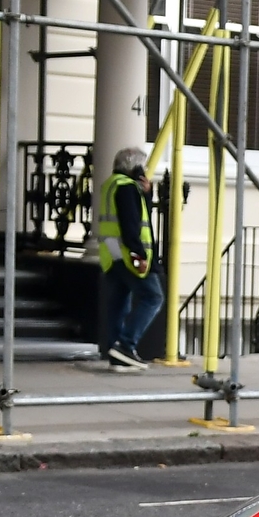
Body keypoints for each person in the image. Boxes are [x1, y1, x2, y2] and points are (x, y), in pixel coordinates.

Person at [94, 145, 162, 371]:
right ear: (135, 167)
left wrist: (147, 194)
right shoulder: (126, 188)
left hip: (110, 253)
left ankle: (116, 353)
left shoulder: (110, 185)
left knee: (118, 301)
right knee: (153, 297)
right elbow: (131, 223)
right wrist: (139, 254)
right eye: (142, 166)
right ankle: (126, 345)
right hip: (127, 252)